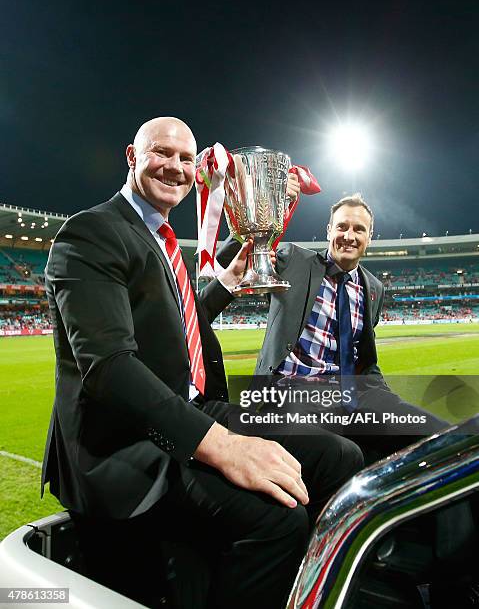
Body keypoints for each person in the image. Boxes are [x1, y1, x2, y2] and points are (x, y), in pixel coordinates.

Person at [41, 117, 363, 609]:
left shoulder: (160, 238)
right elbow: (109, 366)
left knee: (341, 456)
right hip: (124, 443)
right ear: (132, 156)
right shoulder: (92, 233)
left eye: (187, 159)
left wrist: (228, 280)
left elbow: (177, 326)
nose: (175, 167)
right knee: (277, 519)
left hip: (184, 410)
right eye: (162, 153)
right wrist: (224, 446)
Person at [219, 189, 449, 459]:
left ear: (369, 238)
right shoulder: (293, 259)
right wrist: (271, 202)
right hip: (295, 390)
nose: (349, 236)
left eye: (359, 229)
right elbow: (227, 262)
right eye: (342, 227)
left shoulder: (373, 287)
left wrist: (383, 399)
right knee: (342, 454)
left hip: (355, 392)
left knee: (440, 433)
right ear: (329, 230)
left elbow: (364, 357)